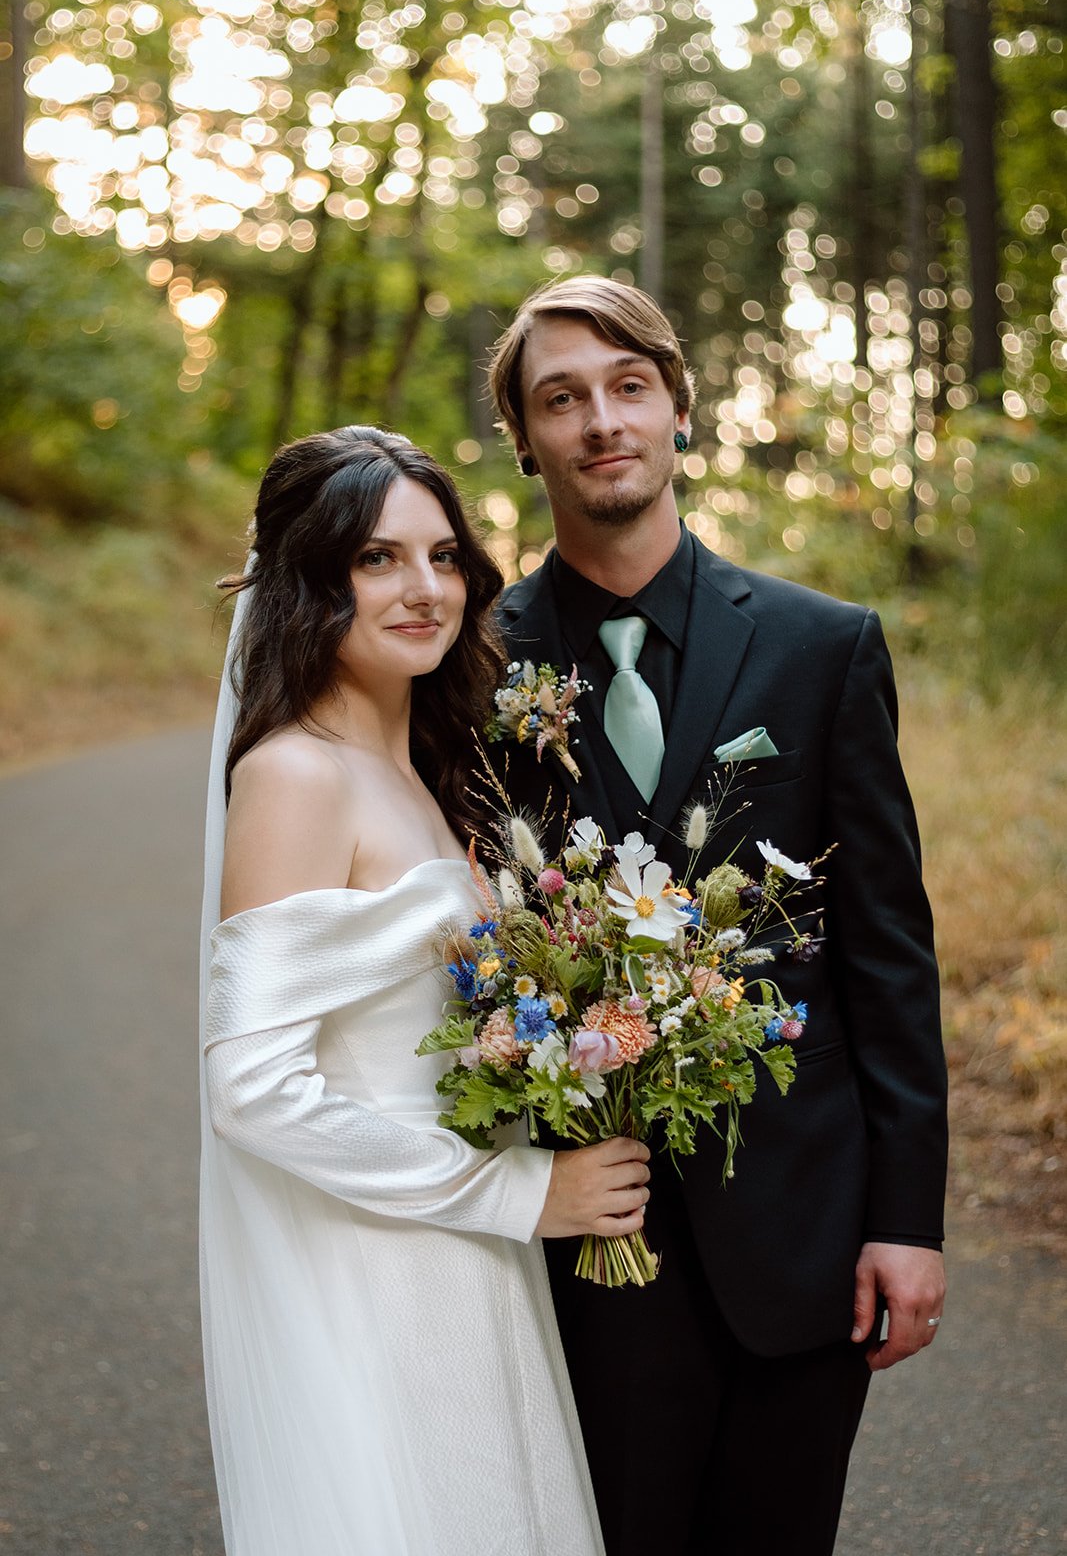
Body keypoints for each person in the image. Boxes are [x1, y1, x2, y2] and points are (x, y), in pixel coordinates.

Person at [486, 277, 949, 1556]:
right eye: (560, 399)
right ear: (527, 443)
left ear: (678, 408)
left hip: (801, 1230)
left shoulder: (821, 647)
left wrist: (907, 1219)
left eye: (627, 386)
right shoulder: (472, 664)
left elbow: (887, 955)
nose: (599, 421)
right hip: (580, 1249)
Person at [197, 423, 651, 1556]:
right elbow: (251, 1090)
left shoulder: (417, 770)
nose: (424, 588)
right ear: (309, 582)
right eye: (377, 558)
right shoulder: (295, 773)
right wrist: (520, 1196)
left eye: (443, 555)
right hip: (377, 1257)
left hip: (460, 1250)